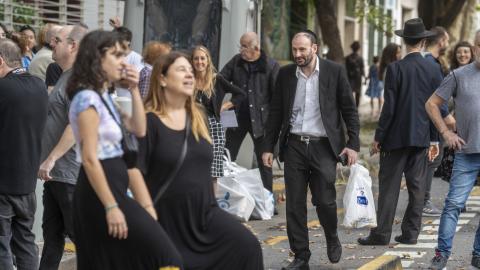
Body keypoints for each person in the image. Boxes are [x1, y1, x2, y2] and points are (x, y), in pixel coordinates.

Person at [66, 30, 183, 270]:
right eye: (116, 55)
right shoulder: (86, 98)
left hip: (115, 187)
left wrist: (132, 89)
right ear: (96, 58)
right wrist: (111, 207)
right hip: (99, 194)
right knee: (166, 256)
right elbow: (89, 158)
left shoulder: (104, 97)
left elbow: (138, 129)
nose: (123, 61)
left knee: (118, 262)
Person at [139, 51, 264, 270]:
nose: (190, 73)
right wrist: (147, 211)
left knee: (248, 246)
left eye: (190, 70)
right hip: (168, 217)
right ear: (162, 78)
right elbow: (133, 170)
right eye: (182, 69)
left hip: (205, 214)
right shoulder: (149, 121)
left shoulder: (197, 118)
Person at [262, 30, 360, 269]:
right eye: (294, 49)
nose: (297, 54)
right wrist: (268, 147)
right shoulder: (285, 74)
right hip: (294, 145)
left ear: (314, 48)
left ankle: (331, 235)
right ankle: (301, 256)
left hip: (323, 147)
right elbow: (275, 112)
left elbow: (349, 109)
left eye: (302, 49)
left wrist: (353, 144)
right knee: (294, 204)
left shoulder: (334, 71)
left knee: (325, 201)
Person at [358, 18, 443, 246]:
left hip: (395, 138)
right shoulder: (434, 69)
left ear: (404, 41)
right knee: (417, 188)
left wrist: (379, 138)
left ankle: (381, 234)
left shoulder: (395, 69)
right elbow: (437, 107)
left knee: (389, 188)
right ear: (424, 42)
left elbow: (390, 108)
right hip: (422, 137)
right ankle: (410, 234)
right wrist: (434, 139)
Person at [425, 30, 480, 270]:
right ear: (475, 47)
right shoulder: (459, 75)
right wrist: (446, 133)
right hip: (467, 153)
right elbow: (432, 104)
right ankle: (441, 255)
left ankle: (478, 255)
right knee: (453, 205)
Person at [37, 25, 87, 270]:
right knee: (52, 238)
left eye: (57, 40)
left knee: (83, 239)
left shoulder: (78, 80)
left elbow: (77, 124)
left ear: (73, 45)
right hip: (57, 176)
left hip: (70, 174)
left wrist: (51, 159)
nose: (52, 44)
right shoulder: (64, 76)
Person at [0, 39, 48, 270]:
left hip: (3, 184)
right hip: (27, 183)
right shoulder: (38, 86)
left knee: (2, 247)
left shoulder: (3, 88)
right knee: (25, 241)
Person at [221, 32, 279, 193]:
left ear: (256, 47)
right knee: (226, 156)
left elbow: (277, 98)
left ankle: (269, 200)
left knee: (264, 160)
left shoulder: (271, 65)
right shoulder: (235, 61)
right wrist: (222, 103)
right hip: (234, 115)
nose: (241, 50)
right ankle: (222, 195)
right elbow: (220, 80)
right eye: (241, 46)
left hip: (261, 121)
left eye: (245, 46)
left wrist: (275, 125)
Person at [192, 45, 246, 180]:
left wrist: (225, 105)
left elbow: (240, 94)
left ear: (208, 60)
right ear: (192, 61)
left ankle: (211, 201)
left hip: (214, 127)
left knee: (213, 172)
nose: (199, 62)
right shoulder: (189, 79)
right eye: (196, 59)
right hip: (193, 125)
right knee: (193, 166)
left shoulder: (217, 79)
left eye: (202, 58)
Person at [422, 26, 454, 217]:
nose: (448, 44)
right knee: (432, 161)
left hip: (430, 122)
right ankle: (423, 201)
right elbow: (435, 95)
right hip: (433, 123)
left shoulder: (431, 61)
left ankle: (421, 200)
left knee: (431, 161)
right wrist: (447, 116)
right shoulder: (431, 64)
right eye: (447, 40)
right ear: (441, 41)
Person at [345, 41, 365, 107]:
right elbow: (362, 69)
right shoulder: (360, 58)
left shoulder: (347, 58)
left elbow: (346, 68)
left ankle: (350, 107)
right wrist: (364, 78)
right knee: (358, 93)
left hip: (349, 77)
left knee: (349, 93)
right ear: (358, 48)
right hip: (358, 77)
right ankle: (356, 108)